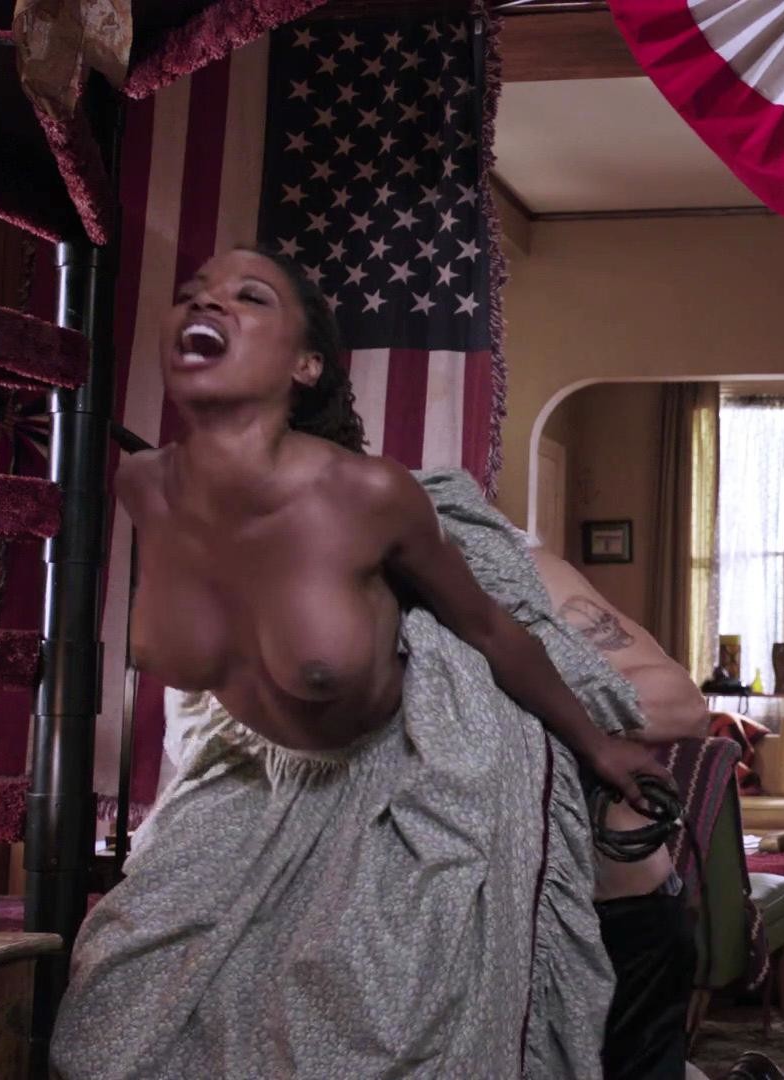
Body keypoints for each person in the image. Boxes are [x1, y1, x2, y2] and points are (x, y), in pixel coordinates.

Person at [51, 247, 671, 1078]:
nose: (208, 304)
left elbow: (490, 628)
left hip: (395, 773)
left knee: (361, 1039)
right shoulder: (143, 485)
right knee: (109, 1023)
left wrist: (599, 746)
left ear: (305, 365)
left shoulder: (369, 495)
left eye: (250, 297)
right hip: (245, 778)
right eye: (194, 293)